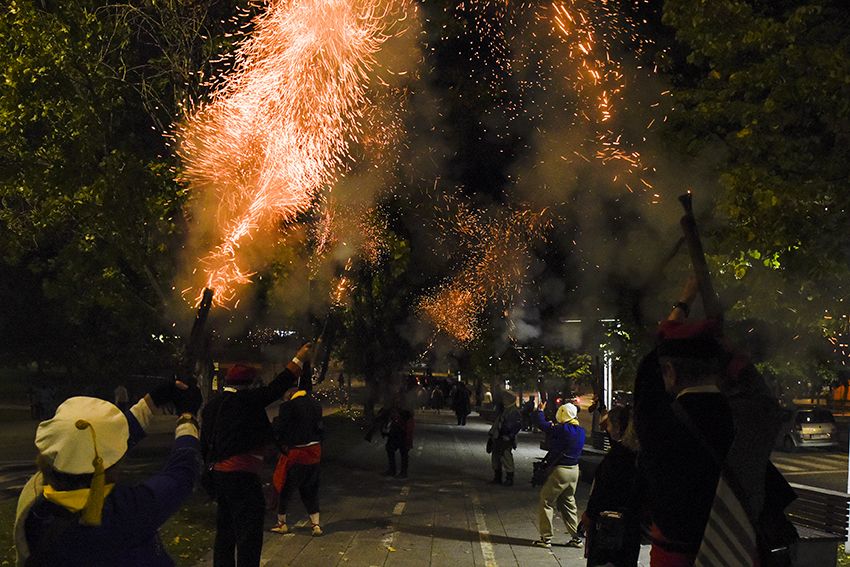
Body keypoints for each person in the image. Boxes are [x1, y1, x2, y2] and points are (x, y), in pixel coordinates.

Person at [14, 379, 203, 566]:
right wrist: (188, 419)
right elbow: (181, 474)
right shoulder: (123, 512)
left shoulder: (36, 500)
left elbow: (93, 446)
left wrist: (150, 402)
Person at [633, 276, 734, 565]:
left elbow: (652, 365)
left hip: (674, 555)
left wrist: (683, 303)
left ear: (670, 372)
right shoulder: (742, 418)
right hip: (734, 553)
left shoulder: (658, 423)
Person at [201, 343, 311, 567]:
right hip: (242, 477)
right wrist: (299, 358)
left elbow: (204, 443)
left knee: (225, 531)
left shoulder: (212, 406)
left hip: (219, 477)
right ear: (248, 384)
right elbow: (277, 386)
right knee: (249, 534)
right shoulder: (247, 401)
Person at [582, 405, 642, 566]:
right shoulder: (636, 454)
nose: (606, 429)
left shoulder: (618, 457)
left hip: (610, 526)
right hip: (630, 526)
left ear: (617, 427)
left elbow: (603, 490)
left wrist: (590, 514)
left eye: (609, 425)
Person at [270, 373, 324, 537]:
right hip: (314, 453)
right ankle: (316, 525)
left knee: (285, 487)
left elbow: (280, 431)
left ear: (289, 392)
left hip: (296, 453)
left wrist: (280, 446)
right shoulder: (316, 405)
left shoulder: (287, 407)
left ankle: (282, 523)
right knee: (310, 489)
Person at [532, 401, 585, 549]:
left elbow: (541, 424)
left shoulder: (562, 429)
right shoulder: (580, 430)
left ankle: (546, 537)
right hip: (574, 470)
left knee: (546, 500)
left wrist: (540, 410)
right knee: (568, 502)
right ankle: (576, 537)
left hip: (561, 471)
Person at [365, 395, 414, 478]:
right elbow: (380, 418)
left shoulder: (405, 411)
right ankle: (393, 470)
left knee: (403, 452)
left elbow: (409, 421)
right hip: (395, 432)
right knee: (390, 449)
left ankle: (402, 472)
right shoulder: (391, 409)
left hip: (402, 432)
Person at [487, 390, 522, 486]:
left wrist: (509, 436)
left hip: (505, 437)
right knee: (496, 457)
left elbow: (514, 426)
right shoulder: (504, 409)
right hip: (498, 436)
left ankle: (509, 478)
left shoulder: (513, 411)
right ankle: (498, 476)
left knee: (506, 457)